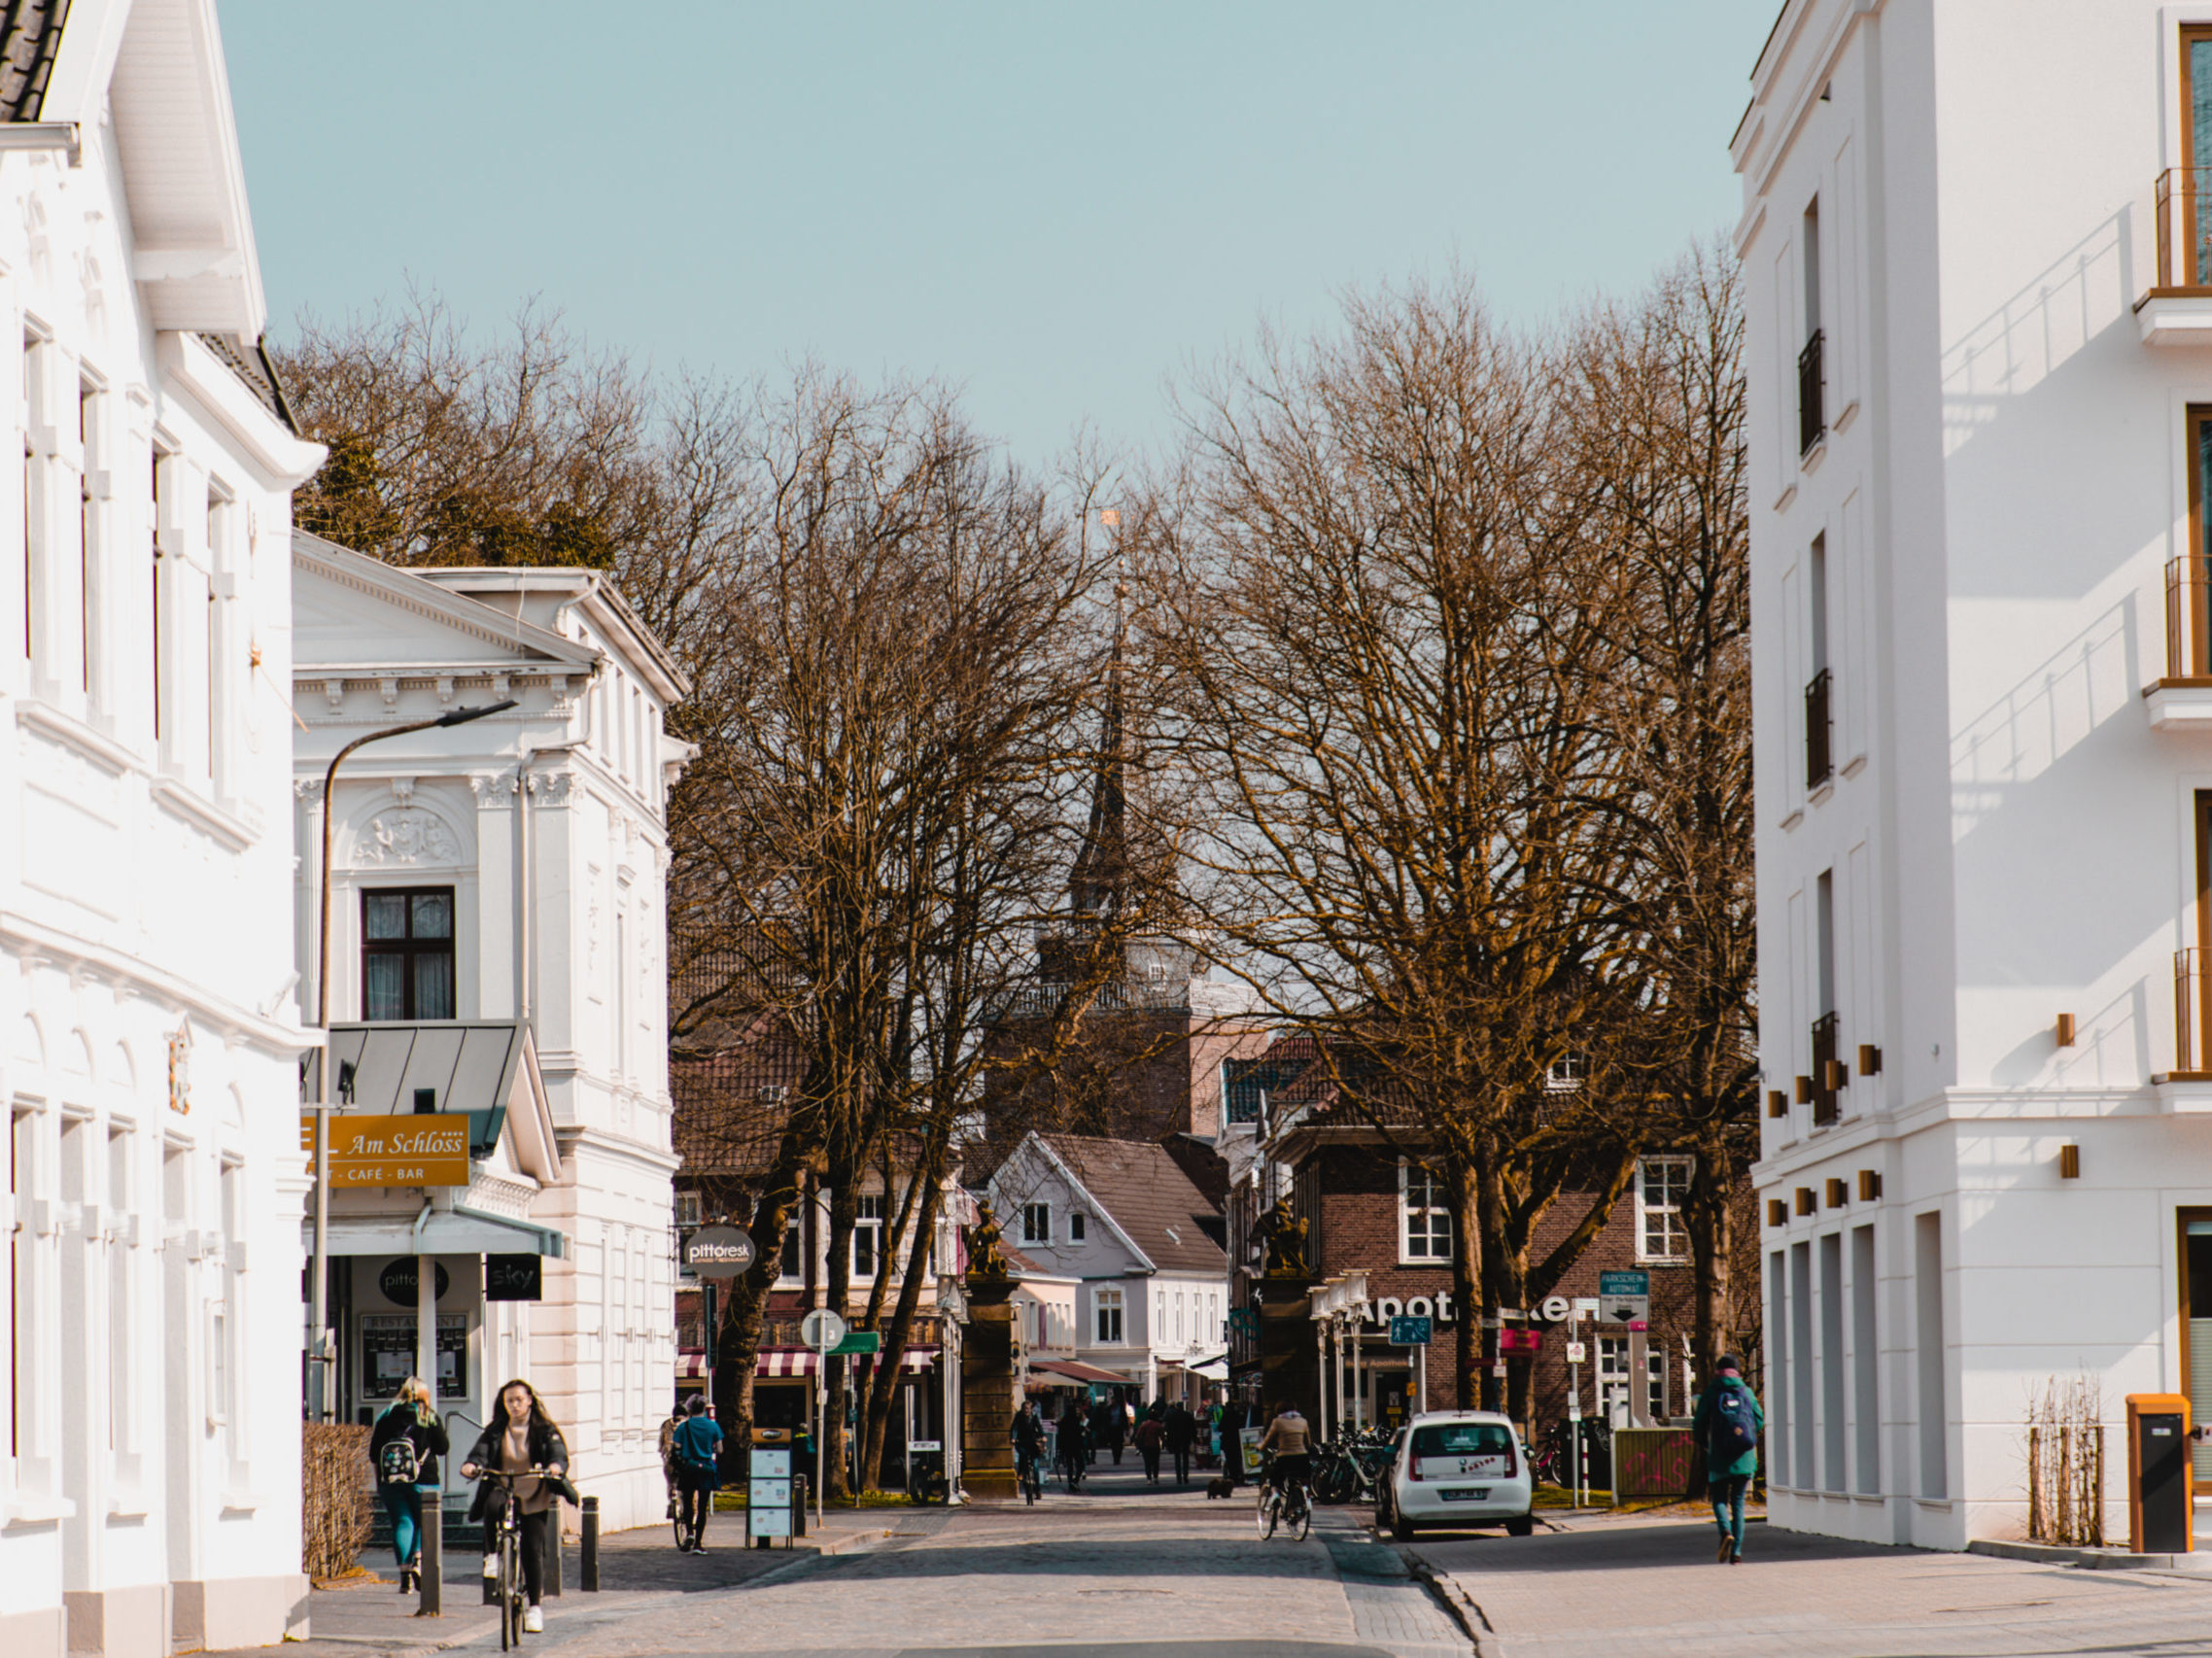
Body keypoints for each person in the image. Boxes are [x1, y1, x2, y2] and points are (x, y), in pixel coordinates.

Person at [461, 1379, 570, 1634]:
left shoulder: (544, 1428)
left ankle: (535, 1608)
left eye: (519, 1399)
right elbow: (481, 1450)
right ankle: (492, 1557)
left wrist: (555, 1467)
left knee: (533, 1549)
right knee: (491, 1504)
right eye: (510, 1400)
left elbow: (557, 1451)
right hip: (504, 1484)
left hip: (533, 1488)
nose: (515, 1405)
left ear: (529, 1399)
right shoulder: (497, 1428)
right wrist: (472, 1464)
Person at [369, 1377, 449, 1595]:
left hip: (392, 1480)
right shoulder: (428, 1416)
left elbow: (374, 1453)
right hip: (424, 1479)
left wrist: (380, 1481)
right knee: (425, 1521)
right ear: (425, 1395)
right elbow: (442, 1447)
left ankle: (404, 1575)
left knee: (403, 1522)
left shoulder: (386, 1415)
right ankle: (417, 1559)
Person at [1691, 1354, 1764, 1564]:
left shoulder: (1712, 1392)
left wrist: (1704, 1444)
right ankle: (1737, 1553)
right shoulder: (1746, 1392)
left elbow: (1699, 1424)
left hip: (1719, 1454)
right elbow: (1759, 1420)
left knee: (1719, 1499)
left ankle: (1725, 1532)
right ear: (1737, 1371)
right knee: (1739, 1503)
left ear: (1718, 1371)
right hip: (1744, 1456)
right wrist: (1745, 1438)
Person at [671, 1395, 724, 1550]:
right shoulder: (713, 1426)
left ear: (689, 1409)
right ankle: (699, 1543)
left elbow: (677, 1447)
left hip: (688, 1468)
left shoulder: (683, 1427)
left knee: (688, 1503)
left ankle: (689, 1533)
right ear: (704, 1408)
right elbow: (720, 1449)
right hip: (706, 1467)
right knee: (702, 1506)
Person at [1257, 1399, 1311, 1509]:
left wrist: (1260, 1447)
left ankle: (1275, 1495)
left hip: (1285, 1457)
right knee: (1304, 1478)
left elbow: (1268, 1439)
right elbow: (1308, 1441)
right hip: (1302, 1457)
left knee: (1275, 1479)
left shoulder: (1278, 1421)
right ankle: (1305, 1493)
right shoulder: (1303, 1421)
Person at [1012, 1399, 1047, 1500]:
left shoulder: (1034, 1416)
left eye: (1028, 1409)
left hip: (1032, 1443)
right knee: (1023, 1455)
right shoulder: (1018, 1416)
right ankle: (1021, 1473)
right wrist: (1013, 1438)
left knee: (1035, 1468)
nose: (1026, 1410)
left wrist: (1043, 1436)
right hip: (1022, 1442)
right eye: (1024, 1409)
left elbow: (1039, 1428)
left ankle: (1038, 1490)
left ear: (1031, 1409)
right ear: (1022, 1409)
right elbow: (1015, 1428)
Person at [657, 1400, 683, 1521]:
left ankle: (671, 1499)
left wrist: (664, 1453)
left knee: (671, 1482)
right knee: (686, 1485)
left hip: (669, 1460)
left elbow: (661, 1444)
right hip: (683, 1459)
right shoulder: (686, 1425)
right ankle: (684, 1508)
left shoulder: (666, 1424)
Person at [1163, 1401, 1197, 1485]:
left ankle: (1178, 1477)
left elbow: (1168, 1429)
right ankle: (1185, 1476)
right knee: (1186, 1458)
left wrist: (1168, 1441)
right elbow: (1192, 1428)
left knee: (1177, 1458)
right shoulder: (1188, 1415)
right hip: (1186, 1439)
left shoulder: (1172, 1416)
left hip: (1176, 1440)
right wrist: (1195, 1439)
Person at [1133, 1408, 1164, 1485]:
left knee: (1147, 1463)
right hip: (1155, 1446)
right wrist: (1164, 1444)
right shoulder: (1158, 1425)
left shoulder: (1144, 1424)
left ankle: (1149, 1479)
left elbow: (1138, 1435)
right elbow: (1162, 1436)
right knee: (1155, 1462)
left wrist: (1138, 1445)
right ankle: (1155, 1477)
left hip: (1146, 1446)